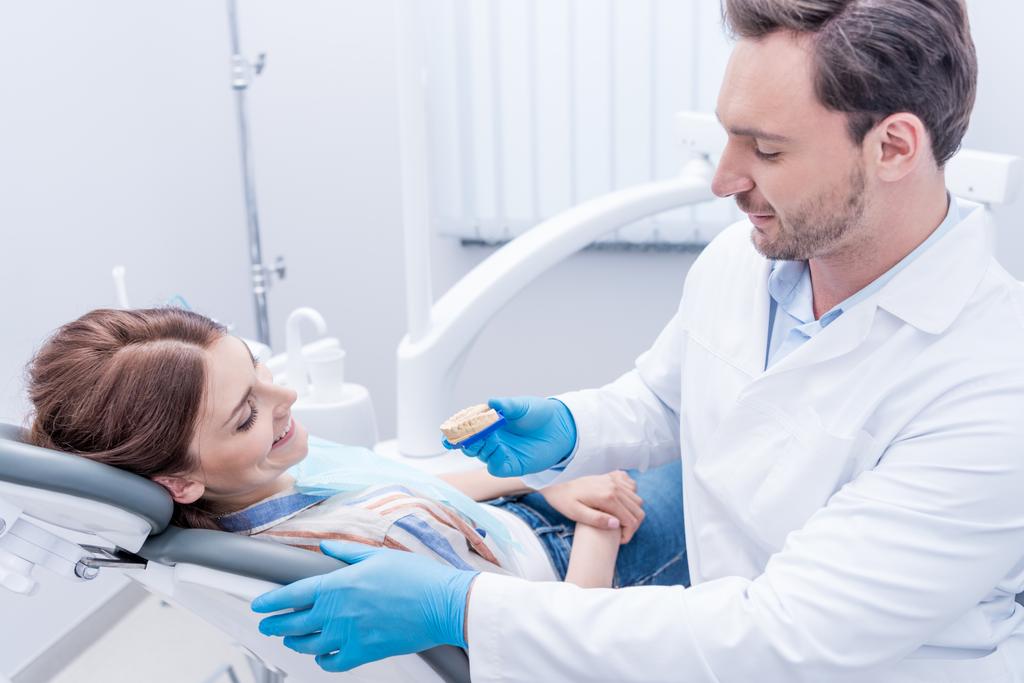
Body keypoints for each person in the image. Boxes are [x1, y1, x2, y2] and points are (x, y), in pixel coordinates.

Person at [251, 1, 1024, 681]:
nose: (724, 179)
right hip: (721, 629)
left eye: (767, 150)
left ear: (892, 148)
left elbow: (783, 635)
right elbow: (664, 396)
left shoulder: (992, 388)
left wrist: (465, 608)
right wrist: (572, 425)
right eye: (729, 138)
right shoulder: (746, 260)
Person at [25, 307, 688, 590]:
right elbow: (560, 644)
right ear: (179, 479)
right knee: (713, 478)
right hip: (583, 566)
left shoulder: (261, 488)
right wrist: (594, 520)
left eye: (258, 365)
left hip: (535, 520)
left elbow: (401, 483)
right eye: (246, 413)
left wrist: (543, 481)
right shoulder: (373, 540)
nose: (283, 393)